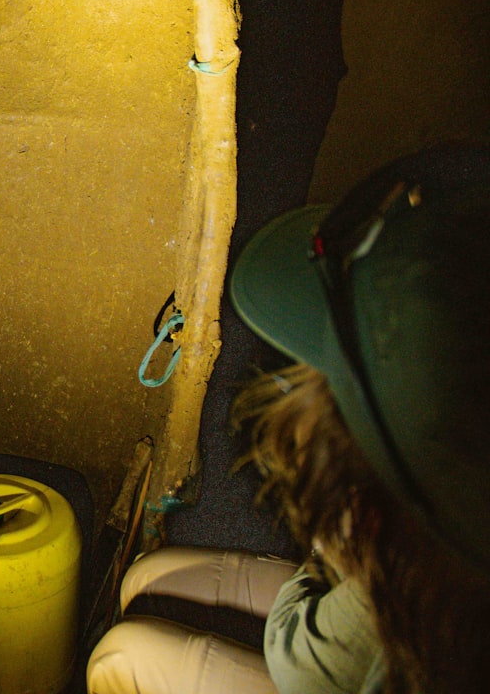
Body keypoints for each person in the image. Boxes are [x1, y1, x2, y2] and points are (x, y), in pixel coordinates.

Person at [87, 143, 490, 693]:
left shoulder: (426, 575)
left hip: (369, 636)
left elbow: (297, 655)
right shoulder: (446, 506)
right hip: (369, 587)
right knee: (145, 577)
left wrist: (339, 539)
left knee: (120, 656)